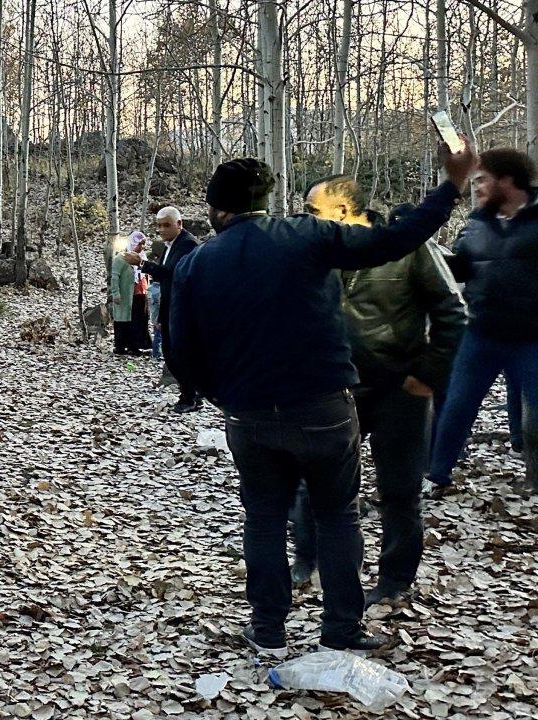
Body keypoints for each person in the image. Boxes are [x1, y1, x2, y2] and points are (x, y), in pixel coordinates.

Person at [170, 141, 474, 657]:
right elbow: (394, 241)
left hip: (249, 412)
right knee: (338, 515)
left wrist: (222, 394)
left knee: (264, 518)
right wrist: (450, 187)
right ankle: (341, 629)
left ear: (218, 209)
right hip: (326, 406)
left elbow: (180, 349)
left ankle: (268, 628)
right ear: (266, 199)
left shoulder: (198, 263)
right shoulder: (307, 236)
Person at [289, 175, 466, 607]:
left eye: (313, 211)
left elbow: (453, 312)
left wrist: (427, 373)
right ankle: (305, 560)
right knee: (314, 483)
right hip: (333, 387)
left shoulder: (408, 249)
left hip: (398, 388)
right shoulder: (315, 250)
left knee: (400, 490)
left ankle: (394, 580)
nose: (304, 219)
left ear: (344, 211)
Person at [427, 147, 538, 494]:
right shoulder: (476, 222)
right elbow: (460, 267)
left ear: (507, 181)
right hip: (480, 334)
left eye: (482, 180)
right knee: (456, 407)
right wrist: (430, 253)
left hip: (531, 338)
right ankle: (438, 477)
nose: (476, 188)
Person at [126, 206, 201, 412]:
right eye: (158, 225)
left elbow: (173, 274)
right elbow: (164, 276)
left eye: (166, 225)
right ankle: (190, 395)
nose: (161, 229)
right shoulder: (171, 245)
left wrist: (142, 264)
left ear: (179, 224)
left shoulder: (187, 244)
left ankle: (190, 397)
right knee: (171, 352)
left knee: (178, 353)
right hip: (170, 305)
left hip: (184, 308)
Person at [107, 232, 145, 355]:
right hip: (125, 296)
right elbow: (115, 277)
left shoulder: (142, 259)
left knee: (136, 321)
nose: (142, 247)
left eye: (143, 244)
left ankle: (134, 346)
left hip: (138, 295)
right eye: (140, 244)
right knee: (122, 321)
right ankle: (120, 346)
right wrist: (116, 293)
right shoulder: (121, 258)